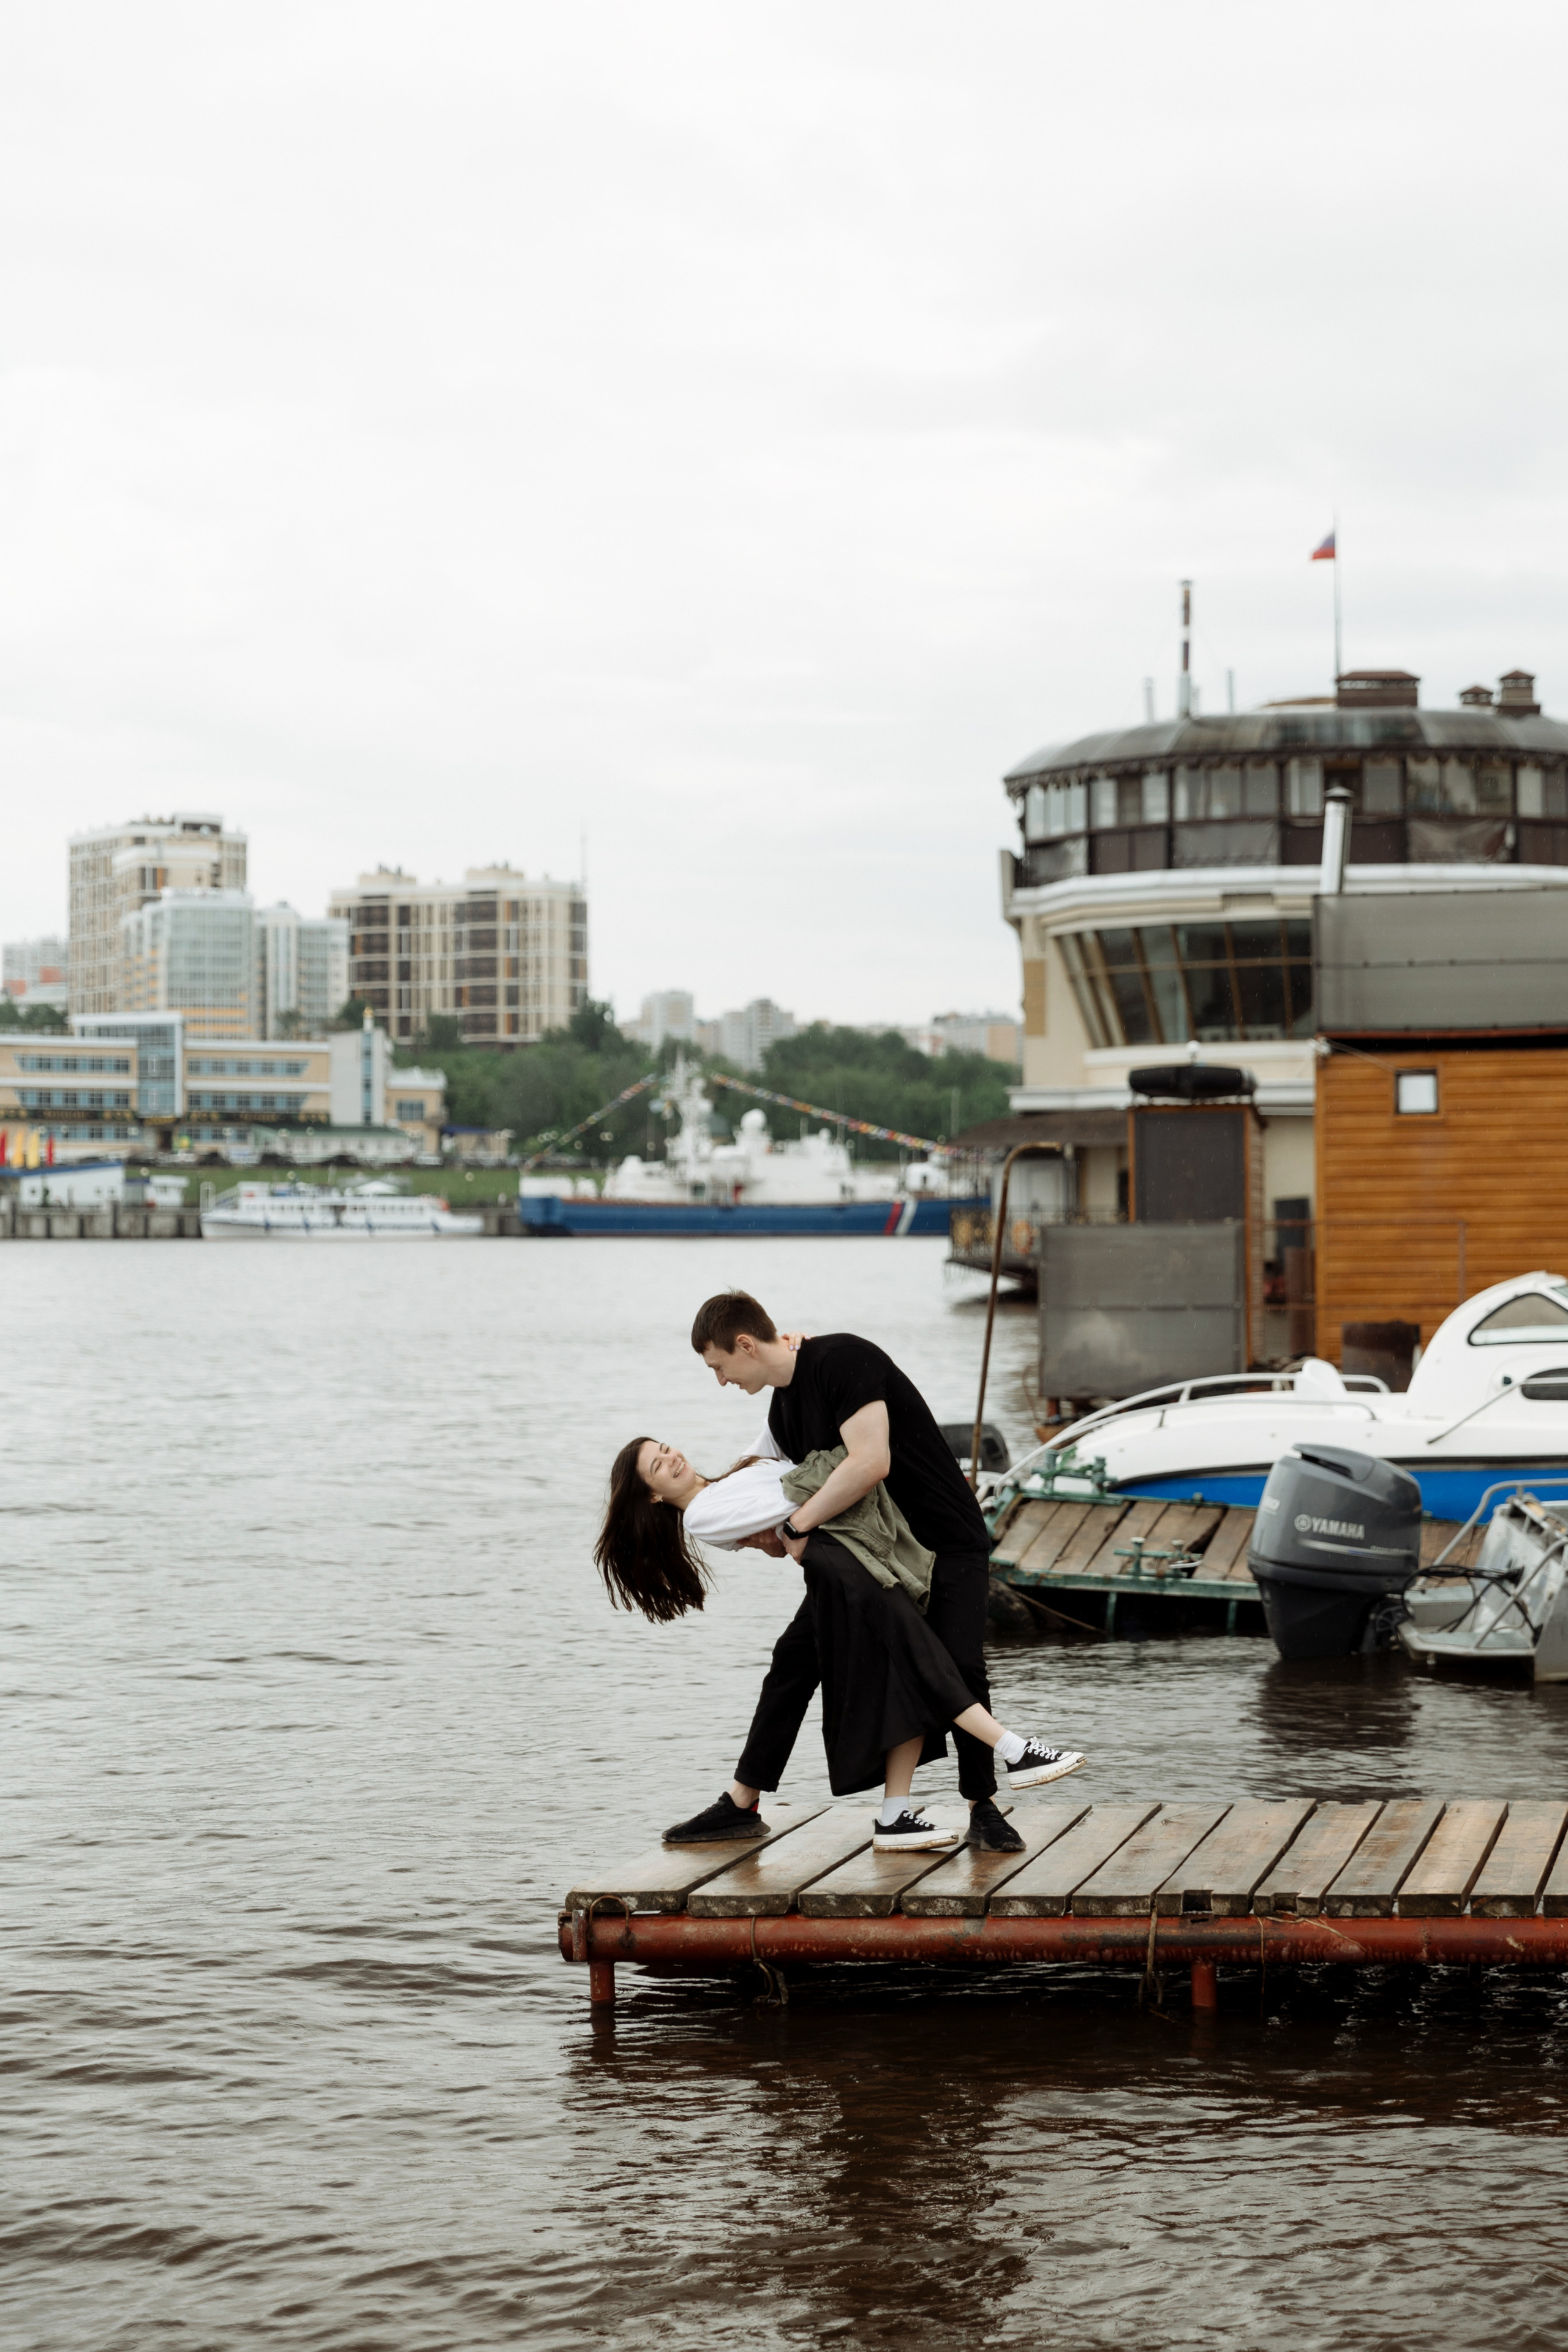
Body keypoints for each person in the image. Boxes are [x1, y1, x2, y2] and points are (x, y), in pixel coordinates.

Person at [675, 1289, 1085, 1855]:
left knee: (960, 1663)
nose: (720, 1381)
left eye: (719, 1366)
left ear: (745, 1344)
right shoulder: (782, 1412)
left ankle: (982, 1806)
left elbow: (871, 1463)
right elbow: (812, 1489)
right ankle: (744, 1804)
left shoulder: (844, 1359)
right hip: (880, 1553)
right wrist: (762, 1534)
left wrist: (797, 1525)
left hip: (945, 1539)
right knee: (794, 1661)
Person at [594, 1434, 1081, 1850]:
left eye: (665, 1447)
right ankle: (1014, 1748)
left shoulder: (732, 1474)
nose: (672, 1458)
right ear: (653, 1496)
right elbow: (797, 1503)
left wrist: (798, 1350)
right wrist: (838, 1474)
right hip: (839, 1560)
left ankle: (765, 1805)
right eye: (658, 1466)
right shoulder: (702, 1514)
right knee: (915, 1652)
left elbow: (780, 1421)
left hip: (845, 1553)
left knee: (795, 1668)